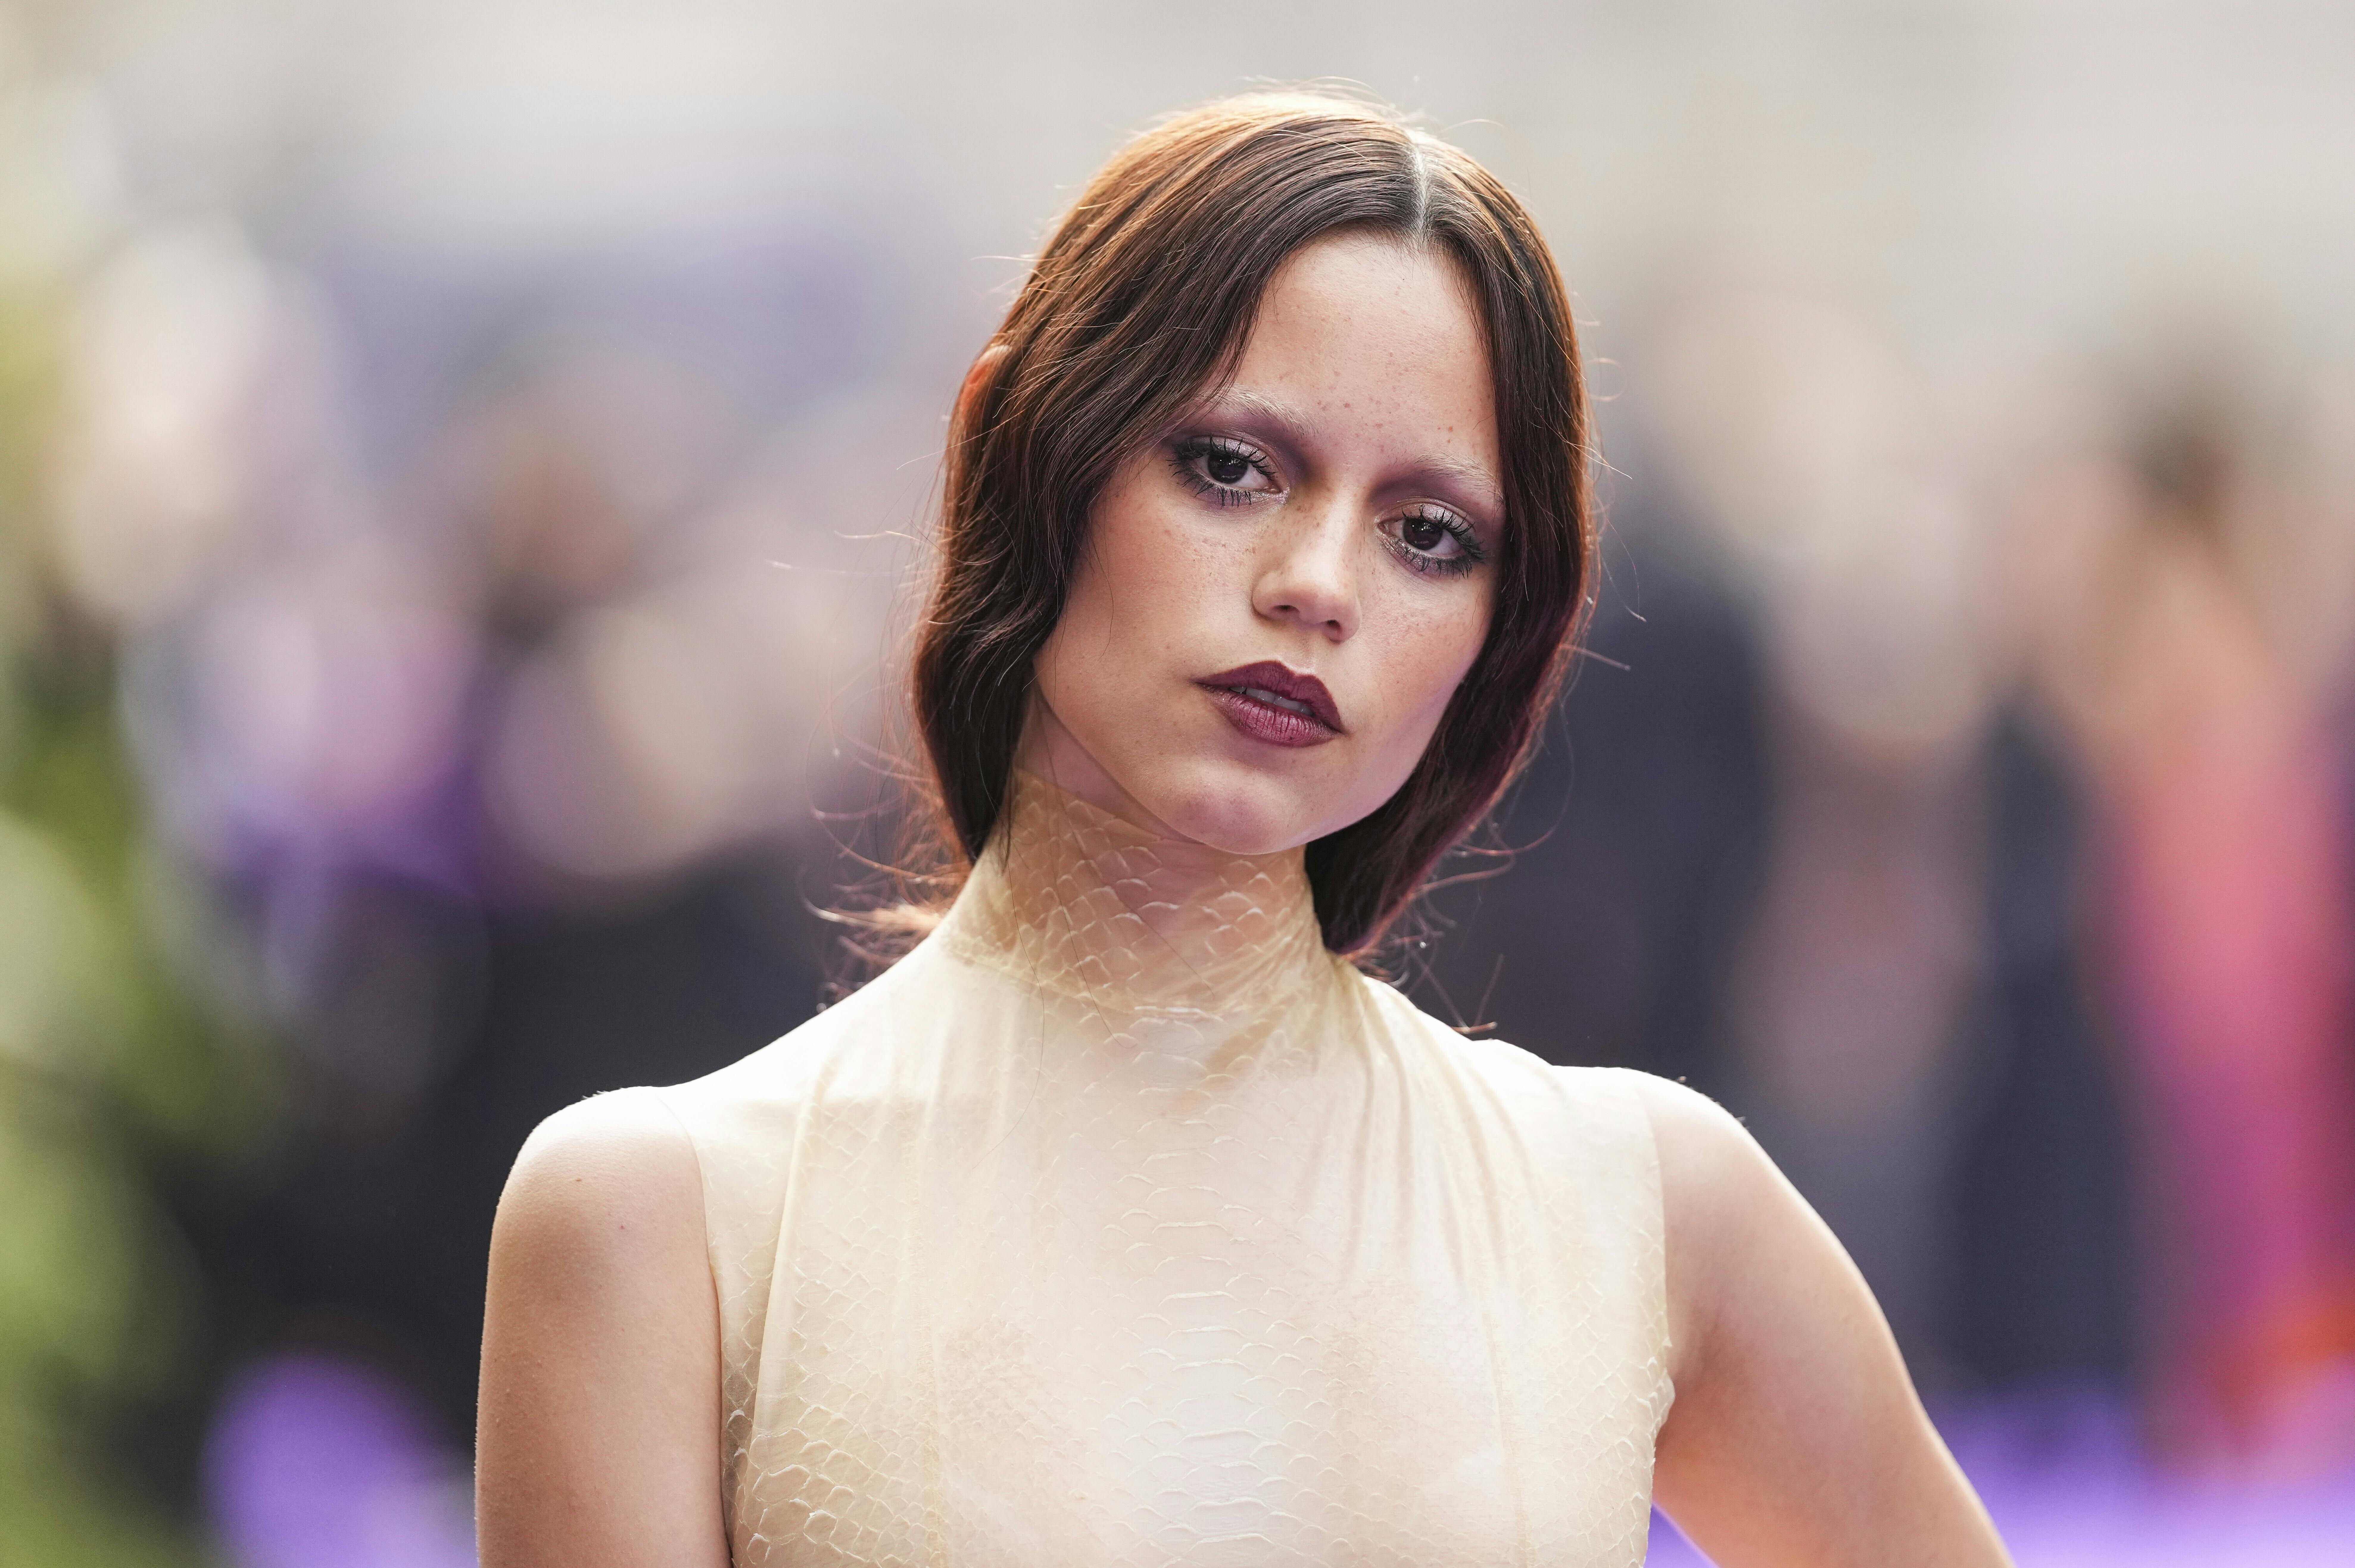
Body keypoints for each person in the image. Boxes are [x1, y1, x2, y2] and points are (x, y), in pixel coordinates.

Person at [475, 92, 2011, 1567]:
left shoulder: (1648, 1205)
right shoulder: (658, 1220)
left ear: (1506, 623)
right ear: (1025, 441)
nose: (1320, 580)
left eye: (1430, 534)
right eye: (1231, 466)